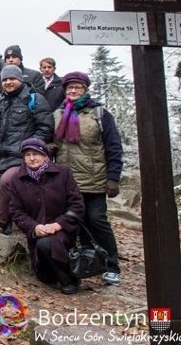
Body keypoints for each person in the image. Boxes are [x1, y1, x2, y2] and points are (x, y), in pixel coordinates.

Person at [52, 71, 123, 286]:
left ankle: (111, 264)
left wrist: (113, 177)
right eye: (69, 87)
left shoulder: (99, 113)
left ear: (86, 89)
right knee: (75, 222)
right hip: (68, 180)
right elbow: (50, 140)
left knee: (96, 220)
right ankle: (85, 263)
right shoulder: (58, 113)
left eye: (78, 87)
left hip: (94, 179)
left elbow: (113, 146)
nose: (73, 91)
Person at [9, 138, 84, 294]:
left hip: (64, 232)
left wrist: (59, 224)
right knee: (45, 271)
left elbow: (77, 205)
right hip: (37, 234)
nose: (32, 158)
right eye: (28, 154)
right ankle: (52, 273)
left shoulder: (63, 173)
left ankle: (68, 279)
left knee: (49, 243)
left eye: (36, 153)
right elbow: (16, 211)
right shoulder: (17, 180)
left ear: (45, 156)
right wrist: (34, 227)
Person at [0, 64, 54, 234]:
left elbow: (45, 128)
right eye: (5, 79)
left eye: (12, 79)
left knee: (7, 180)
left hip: (23, 156)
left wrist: (30, 150)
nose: (8, 82)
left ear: (20, 79)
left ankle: (0, 222)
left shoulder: (35, 99)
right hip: (1, 155)